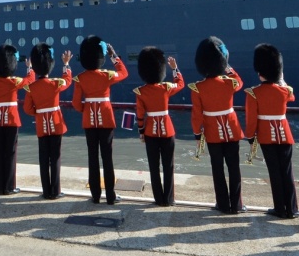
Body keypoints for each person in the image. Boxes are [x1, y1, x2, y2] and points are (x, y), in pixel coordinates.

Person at [190, 36, 245, 214]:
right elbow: (239, 80)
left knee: (217, 170)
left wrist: (198, 135)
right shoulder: (230, 83)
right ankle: (236, 205)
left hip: (213, 132)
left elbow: (197, 115)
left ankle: (222, 204)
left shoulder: (198, 88)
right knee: (234, 169)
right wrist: (226, 64)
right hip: (232, 130)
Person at [245, 44, 299, 219]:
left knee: (274, 173)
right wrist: (281, 79)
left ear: (260, 72)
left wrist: (250, 136)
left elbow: (251, 119)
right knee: (287, 172)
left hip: (267, 136)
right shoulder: (284, 91)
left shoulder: (254, 93)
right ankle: (292, 208)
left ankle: (279, 208)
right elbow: (291, 96)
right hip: (285, 135)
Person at [72, 36, 128, 204]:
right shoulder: (106, 75)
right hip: (106, 119)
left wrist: (86, 109)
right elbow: (124, 73)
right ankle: (110, 195)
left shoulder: (79, 78)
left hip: (89, 121)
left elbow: (76, 104)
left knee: (92, 158)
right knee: (107, 158)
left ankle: (95, 195)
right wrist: (114, 56)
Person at [134, 47, 184, 207]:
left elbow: (140, 114)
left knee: (154, 167)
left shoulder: (140, 92)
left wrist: (141, 131)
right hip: (167, 130)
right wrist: (175, 68)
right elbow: (180, 84)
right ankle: (169, 199)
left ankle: (158, 198)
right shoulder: (166, 88)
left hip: (150, 132)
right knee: (168, 166)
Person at [23, 44, 73, 200]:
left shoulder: (31, 88)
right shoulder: (55, 84)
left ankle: (46, 191)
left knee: (44, 159)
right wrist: (66, 64)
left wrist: (38, 113)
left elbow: (27, 109)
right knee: (55, 158)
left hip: (41, 126)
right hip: (56, 124)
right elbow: (68, 80)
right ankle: (55, 190)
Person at [0, 45, 35, 195]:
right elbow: (30, 80)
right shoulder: (14, 81)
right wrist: (29, 67)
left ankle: (0, 187)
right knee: (11, 154)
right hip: (12, 120)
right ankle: (10, 187)